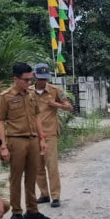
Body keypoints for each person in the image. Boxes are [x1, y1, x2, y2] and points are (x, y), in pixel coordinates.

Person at [0, 62, 49, 219]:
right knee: (16, 177)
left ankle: (32, 210)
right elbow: (0, 121)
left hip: (33, 139)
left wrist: (42, 139)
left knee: (32, 176)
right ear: (16, 79)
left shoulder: (31, 95)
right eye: (26, 80)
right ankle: (16, 211)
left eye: (30, 79)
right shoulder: (5, 97)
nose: (29, 83)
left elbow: (37, 116)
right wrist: (3, 146)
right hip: (16, 140)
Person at [30, 63, 73, 209]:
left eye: (45, 79)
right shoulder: (28, 92)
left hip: (50, 134)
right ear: (34, 76)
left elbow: (70, 107)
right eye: (40, 78)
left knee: (52, 166)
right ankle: (44, 194)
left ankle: (55, 196)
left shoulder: (55, 91)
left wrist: (57, 105)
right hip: (33, 134)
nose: (42, 81)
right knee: (37, 166)